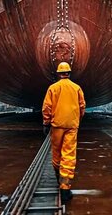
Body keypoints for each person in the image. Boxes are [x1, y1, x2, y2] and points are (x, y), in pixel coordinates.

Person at [42, 62, 86, 203]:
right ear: (69, 73)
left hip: (57, 125)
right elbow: (82, 106)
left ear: (58, 73)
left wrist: (46, 123)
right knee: (69, 154)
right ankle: (65, 187)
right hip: (72, 126)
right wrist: (77, 118)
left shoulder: (53, 88)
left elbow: (47, 107)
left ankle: (57, 178)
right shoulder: (76, 88)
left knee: (56, 153)